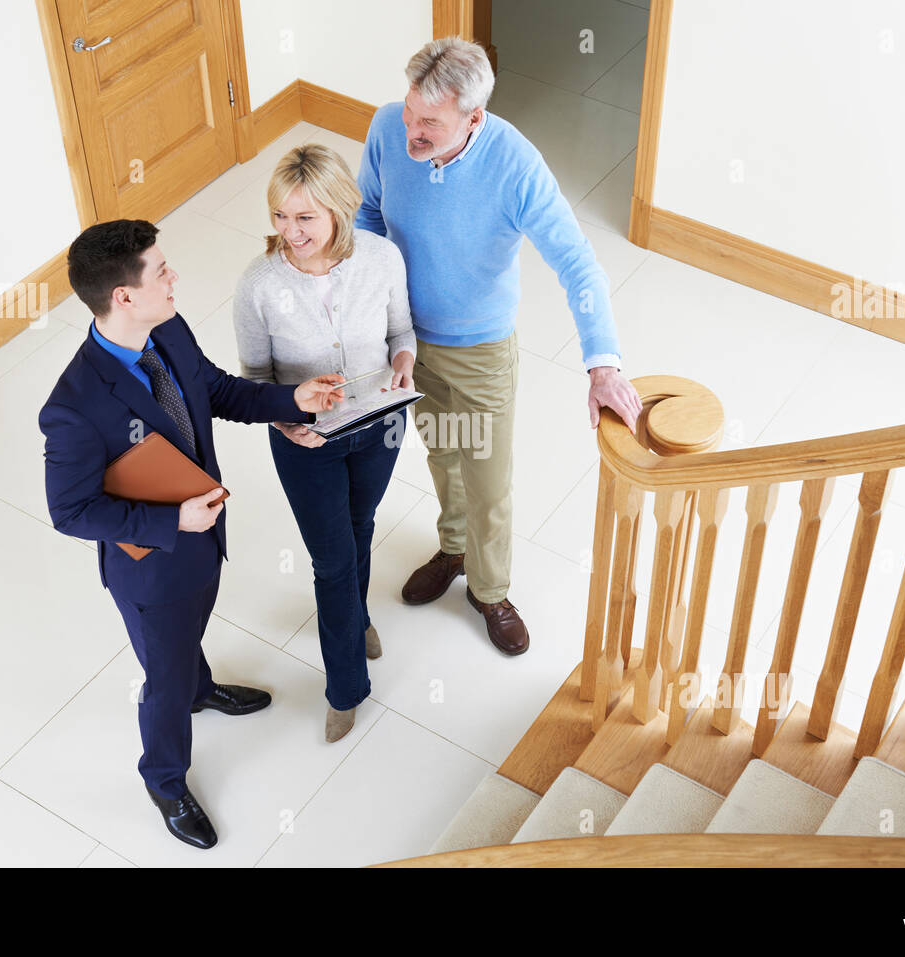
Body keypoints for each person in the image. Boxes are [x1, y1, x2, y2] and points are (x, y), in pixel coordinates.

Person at [39, 219, 345, 850]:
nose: (175, 276)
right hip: (152, 569)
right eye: (161, 270)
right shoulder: (71, 406)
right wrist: (171, 521)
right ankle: (165, 779)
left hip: (204, 541)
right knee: (164, 679)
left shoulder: (168, 329)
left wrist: (295, 401)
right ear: (123, 296)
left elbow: (216, 392)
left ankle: (202, 689)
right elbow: (70, 511)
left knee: (187, 646)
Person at [355, 37, 643, 656]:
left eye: (429, 122)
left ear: (474, 118)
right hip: (408, 342)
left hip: (480, 352)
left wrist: (602, 364)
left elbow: (579, 265)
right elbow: (368, 217)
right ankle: (452, 548)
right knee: (441, 454)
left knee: (487, 480)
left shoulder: (514, 165)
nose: (412, 131)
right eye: (410, 113)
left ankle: (489, 590)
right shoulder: (387, 128)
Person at [233, 144, 416, 743]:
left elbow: (400, 331)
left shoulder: (382, 258)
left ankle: (358, 615)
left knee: (361, 524)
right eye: (281, 217)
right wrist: (286, 421)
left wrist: (405, 361)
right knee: (332, 559)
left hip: (379, 425)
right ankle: (345, 688)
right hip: (306, 440)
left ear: (340, 209)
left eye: (305, 218)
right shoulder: (259, 285)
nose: (290, 232)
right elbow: (256, 380)